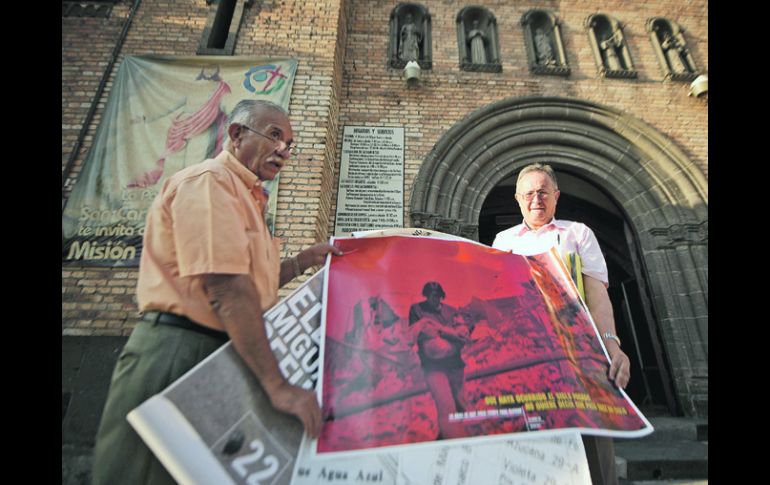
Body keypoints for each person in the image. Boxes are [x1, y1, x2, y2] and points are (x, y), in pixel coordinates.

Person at [91, 99, 343, 485]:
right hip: (178, 353)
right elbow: (228, 290)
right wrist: (278, 387)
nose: (283, 149)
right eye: (275, 135)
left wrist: (303, 262)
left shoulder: (248, 198)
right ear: (236, 133)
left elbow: (252, 285)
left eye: (290, 143)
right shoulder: (209, 182)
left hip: (223, 353)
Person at [492, 162, 630, 485]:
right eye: (528, 193)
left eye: (542, 192)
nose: (535, 199)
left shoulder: (577, 233)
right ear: (517, 199)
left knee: (592, 444)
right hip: (523, 356)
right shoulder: (502, 240)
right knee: (529, 450)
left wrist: (612, 347)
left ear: (556, 196)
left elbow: (597, 296)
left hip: (578, 351)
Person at [408, 282, 470, 440]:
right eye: (429, 295)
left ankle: (448, 437)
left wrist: (444, 333)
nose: (432, 299)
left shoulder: (451, 311)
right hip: (433, 367)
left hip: (455, 364)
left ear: (441, 296)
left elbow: (463, 336)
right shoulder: (417, 310)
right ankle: (454, 442)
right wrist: (449, 333)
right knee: (446, 408)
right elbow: (419, 335)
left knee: (461, 405)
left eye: (436, 295)